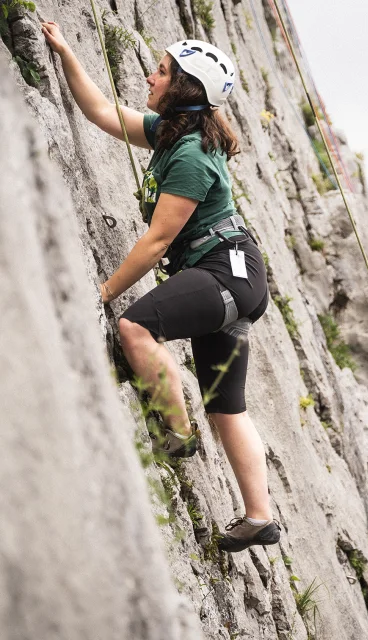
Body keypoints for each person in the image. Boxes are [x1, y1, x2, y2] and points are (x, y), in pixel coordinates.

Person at [42, 21, 279, 552]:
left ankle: (177, 432)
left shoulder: (192, 155)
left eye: (162, 71)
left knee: (134, 327)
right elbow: (104, 112)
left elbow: (156, 243)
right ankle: (260, 516)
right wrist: (64, 54)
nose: (151, 77)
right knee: (227, 406)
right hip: (234, 277)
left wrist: (101, 293)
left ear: (186, 90)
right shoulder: (173, 132)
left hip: (224, 272)